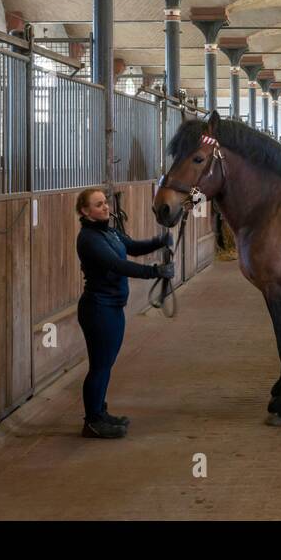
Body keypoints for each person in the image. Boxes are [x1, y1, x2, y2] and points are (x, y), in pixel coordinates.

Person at [74, 187, 175, 438]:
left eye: (105, 202)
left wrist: (158, 241)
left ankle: (100, 411)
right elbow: (117, 265)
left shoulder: (109, 231)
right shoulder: (89, 239)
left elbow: (131, 246)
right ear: (85, 211)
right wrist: (155, 272)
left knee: (106, 364)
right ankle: (92, 421)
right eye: (98, 205)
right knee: (99, 366)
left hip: (113, 306)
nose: (105, 207)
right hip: (99, 308)